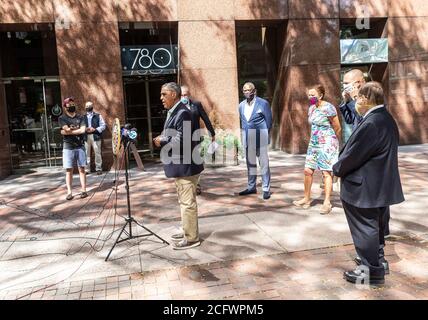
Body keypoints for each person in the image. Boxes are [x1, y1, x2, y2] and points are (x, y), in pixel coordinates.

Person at [333, 82, 404, 285]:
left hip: (365, 188)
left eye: (358, 98)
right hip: (379, 186)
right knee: (376, 227)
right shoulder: (385, 118)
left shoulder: (373, 122)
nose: (356, 101)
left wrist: (337, 169)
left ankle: (370, 271)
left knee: (366, 228)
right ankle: (377, 262)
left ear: (365, 99)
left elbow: (354, 155)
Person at [341, 69, 391, 271]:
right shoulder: (355, 101)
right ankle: (374, 260)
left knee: (374, 218)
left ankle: (375, 262)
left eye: (348, 83)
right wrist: (347, 102)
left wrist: (339, 168)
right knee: (372, 219)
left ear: (359, 82)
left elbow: (366, 122)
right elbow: (349, 119)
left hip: (372, 171)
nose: (345, 86)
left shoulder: (372, 97)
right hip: (362, 161)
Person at [153, 82, 204, 250]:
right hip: (182, 166)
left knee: (187, 203)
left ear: (173, 95)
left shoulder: (183, 112)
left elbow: (184, 139)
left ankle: (191, 239)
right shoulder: (175, 111)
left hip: (186, 166)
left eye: (163, 94)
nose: (161, 98)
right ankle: (187, 231)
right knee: (185, 202)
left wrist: (162, 140)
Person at [293, 85, 341, 215]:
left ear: (321, 95)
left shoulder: (329, 108)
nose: (311, 97)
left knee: (326, 173)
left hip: (327, 143)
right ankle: (307, 198)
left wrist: (333, 143)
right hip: (314, 143)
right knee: (307, 170)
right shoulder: (311, 108)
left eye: (313, 95)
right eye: (309, 95)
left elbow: (337, 127)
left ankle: (327, 202)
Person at [238, 82, 272, 200]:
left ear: (254, 91)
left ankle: (266, 188)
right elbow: (243, 123)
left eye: (249, 90)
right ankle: (251, 187)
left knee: (264, 164)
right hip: (248, 138)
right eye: (244, 90)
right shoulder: (241, 105)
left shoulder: (263, 103)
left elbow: (269, 122)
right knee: (251, 165)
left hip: (261, 138)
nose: (247, 92)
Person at [181, 85, 215, 195]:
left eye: (185, 94)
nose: (183, 97)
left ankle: (197, 184)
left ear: (189, 94)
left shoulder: (196, 105)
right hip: (182, 140)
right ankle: (187, 184)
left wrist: (212, 133)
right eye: (181, 95)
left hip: (196, 138)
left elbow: (205, 118)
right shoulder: (177, 106)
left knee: (196, 162)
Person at [59, 97, 88, 200]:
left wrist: (68, 132)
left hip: (80, 146)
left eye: (73, 104)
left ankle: (84, 190)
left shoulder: (81, 117)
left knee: (82, 169)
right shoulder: (62, 118)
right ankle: (69, 192)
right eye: (69, 104)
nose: (71, 106)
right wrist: (75, 130)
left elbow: (83, 130)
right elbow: (65, 129)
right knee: (69, 170)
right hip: (68, 147)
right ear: (65, 107)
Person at [84, 101, 106, 175]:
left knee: (97, 153)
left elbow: (103, 126)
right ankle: (87, 169)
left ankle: (99, 168)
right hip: (86, 136)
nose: (88, 107)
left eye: (89, 106)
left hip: (95, 136)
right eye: (87, 106)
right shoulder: (82, 117)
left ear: (92, 107)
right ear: (85, 107)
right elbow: (80, 127)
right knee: (86, 153)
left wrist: (95, 129)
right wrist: (85, 129)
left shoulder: (98, 116)